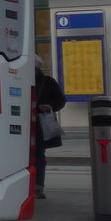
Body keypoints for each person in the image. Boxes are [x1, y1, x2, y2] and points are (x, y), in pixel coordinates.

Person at [33, 56, 66, 199]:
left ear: (36, 69)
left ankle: (38, 188)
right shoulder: (19, 79)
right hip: (23, 124)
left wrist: (50, 106)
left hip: (40, 126)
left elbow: (61, 101)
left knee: (39, 156)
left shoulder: (48, 81)